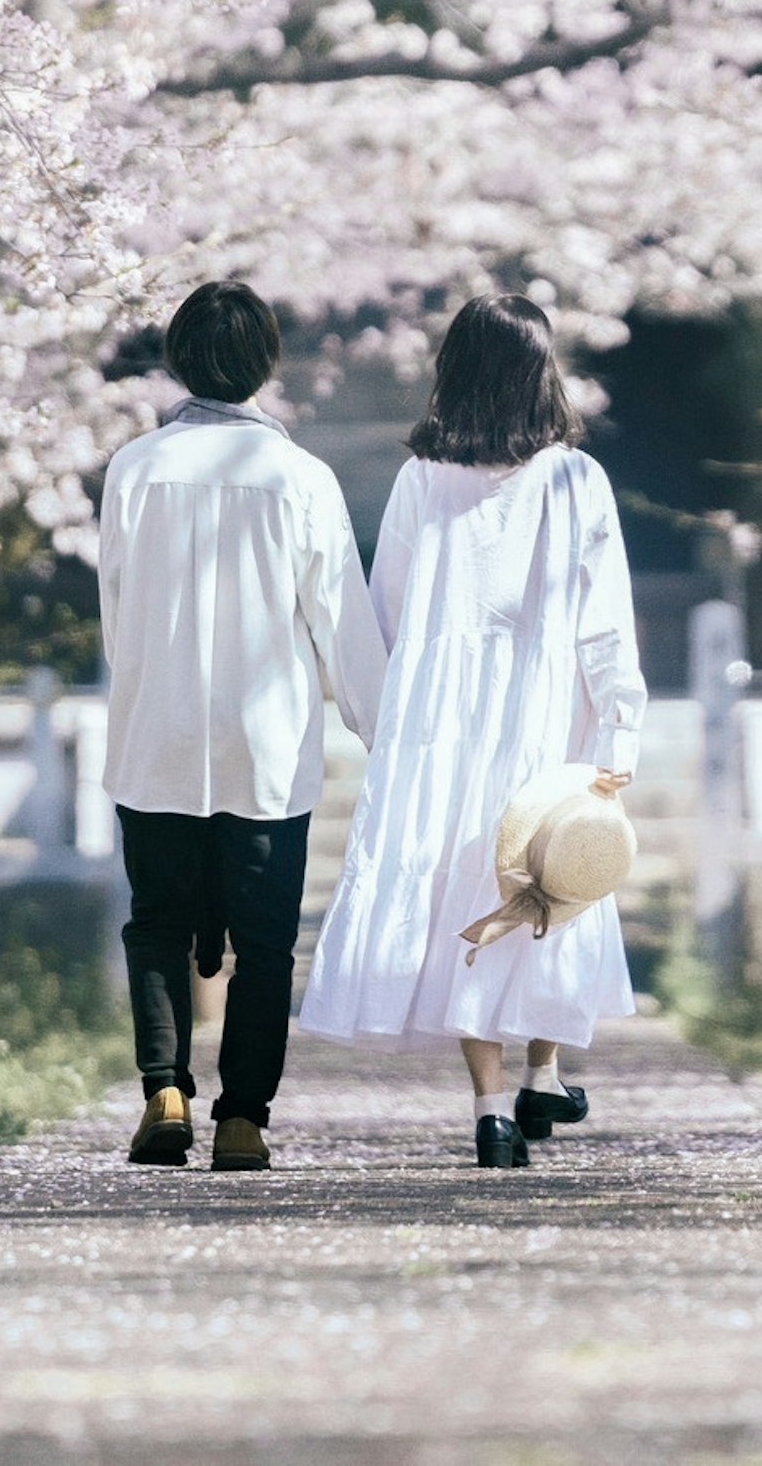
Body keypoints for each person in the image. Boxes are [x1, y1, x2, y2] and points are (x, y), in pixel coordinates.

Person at [301, 294, 647, 1170]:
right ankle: (543, 1072)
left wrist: (392, 733)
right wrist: (620, 736)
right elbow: (607, 625)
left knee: (466, 884)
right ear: (543, 374)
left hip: (444, 720)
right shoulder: (576, 479)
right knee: (548, 870)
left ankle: (492, 1106)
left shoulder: (423, 479)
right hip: (547, 711)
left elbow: (387, 609)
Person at [95, 278, 361, 1173]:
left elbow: (116, 610)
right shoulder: (303, 479)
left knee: (158, 922)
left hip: (155, 734)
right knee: (265, 939)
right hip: (267, 745)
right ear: (265, 364)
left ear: (177, 359)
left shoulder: (133, 468)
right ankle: (244, 1115)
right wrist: (379, 725)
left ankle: (165, 1092)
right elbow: (341, 622)